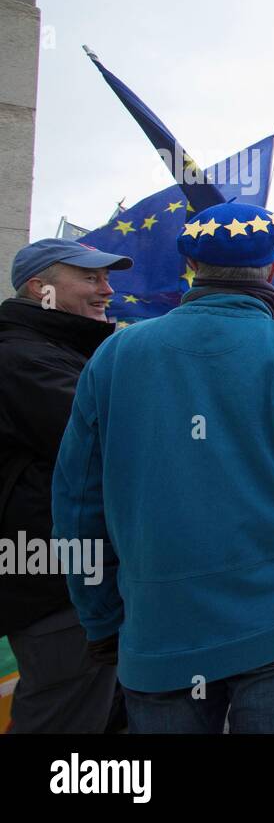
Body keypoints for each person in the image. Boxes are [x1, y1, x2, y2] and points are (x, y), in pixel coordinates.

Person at [52, 204, 274, 733]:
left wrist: (100, 617)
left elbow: (76, 508)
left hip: (159, 634)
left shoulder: (114, 357)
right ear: (271, 272)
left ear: (191, 266)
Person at [1, 238, 132, 733]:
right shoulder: (25, 359)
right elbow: (115, 445)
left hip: (77, 578)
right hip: (56, 585)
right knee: (64, 718)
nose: (107, 290)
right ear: (42, 289)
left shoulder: (57, 351)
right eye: (91, 278)